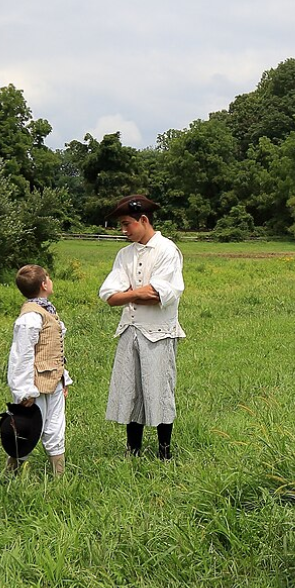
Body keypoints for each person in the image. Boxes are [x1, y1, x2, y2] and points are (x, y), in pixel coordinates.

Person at [99, 194, 185, 460]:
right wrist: (137, 293)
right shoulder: (124, 254)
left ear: (143, 219)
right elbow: (109, 295)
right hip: (130, 330)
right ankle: (132, 450)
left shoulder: (167, 250)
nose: (123, 230)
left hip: (158, 334)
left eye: (127, 224)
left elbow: (159, 293)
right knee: (130, 391)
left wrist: (129, 292)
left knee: (159, 391)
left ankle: (164, 453)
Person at [6, 264, 71, 474]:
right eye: (49, 278)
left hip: (53, 382)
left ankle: (59, 475)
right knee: (27, 428)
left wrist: (63, 379)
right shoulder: (30, 318)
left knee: (56, 428)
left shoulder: (46, 310)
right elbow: (21, 357)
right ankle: (11, 473)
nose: (51, 281)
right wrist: (25, 392)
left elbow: (54, 352)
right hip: (34, 386)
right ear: (44, 284)